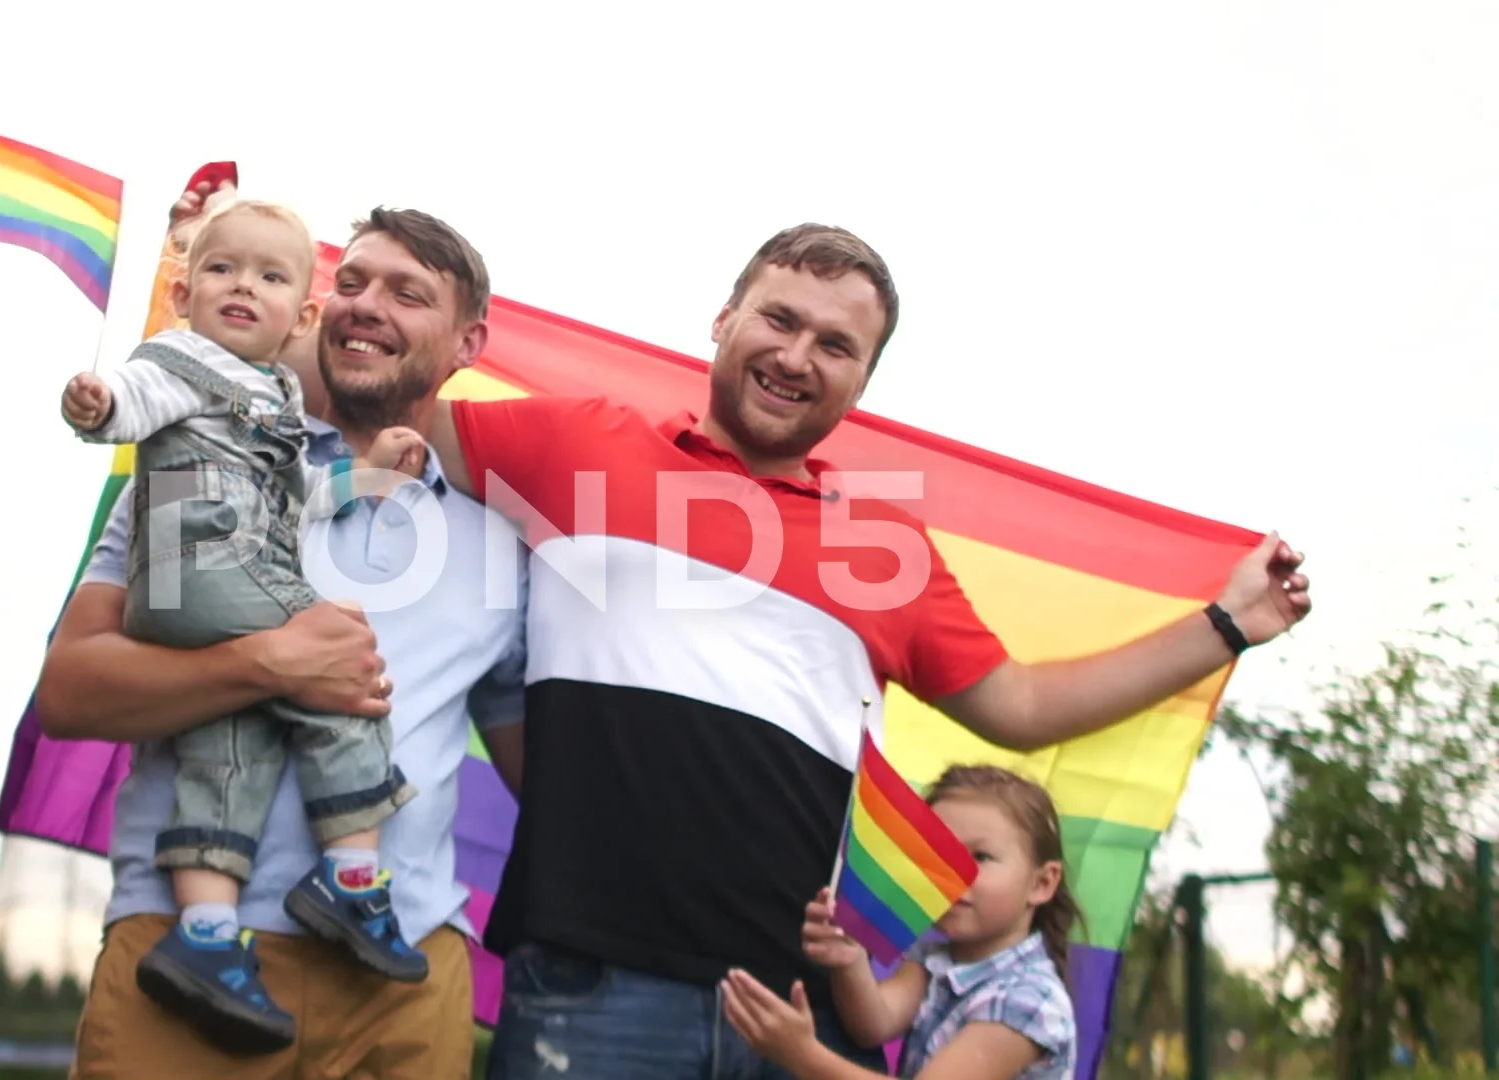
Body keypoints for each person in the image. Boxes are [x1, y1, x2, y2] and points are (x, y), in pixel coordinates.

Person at [421, 222, 1313, 1078]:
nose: (797, 356)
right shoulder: (580, 444)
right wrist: (290, 307)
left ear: (861, 382)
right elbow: (381, 408)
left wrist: (1226, 624)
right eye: (779, 319)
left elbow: (1025, 708)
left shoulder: (884, 550)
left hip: (807, 1015)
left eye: (836, 345)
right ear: (724, 321)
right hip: (593, 983)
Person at [39, 184, 525, 1078]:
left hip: (404, 977)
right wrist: (267, 662)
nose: (367, 307)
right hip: (183, 957)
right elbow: (70, 692)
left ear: (468, 345)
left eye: (407, 294)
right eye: (354, 283)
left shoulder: (504, 546)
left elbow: (547, 775)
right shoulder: (196, 469)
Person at [719, 765, 1081, 1079]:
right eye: (938, 852)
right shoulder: (936, 954)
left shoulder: (1027, 1000)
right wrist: (851, 958)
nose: (953, 872)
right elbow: (874, 1025)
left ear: (1042, 883)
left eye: (980, 856)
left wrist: (804, 1057)